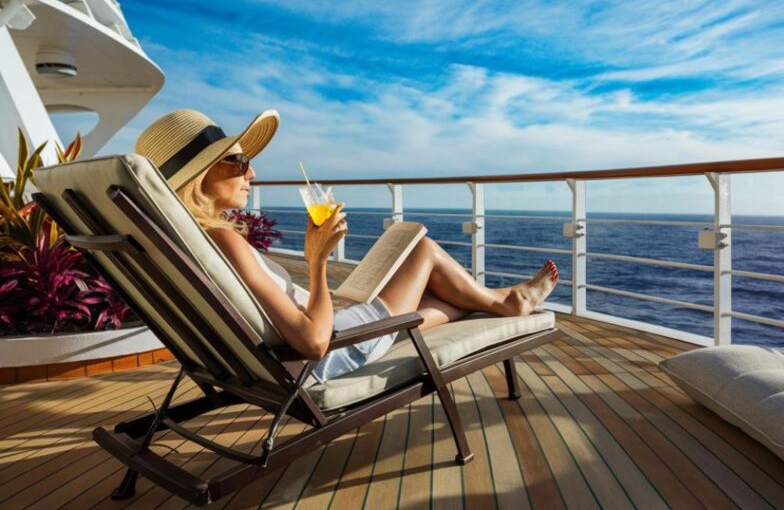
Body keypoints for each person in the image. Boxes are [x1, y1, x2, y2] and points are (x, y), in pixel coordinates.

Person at [136, 109, 559, 382]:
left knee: (440, 296)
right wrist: (317, 260)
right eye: (240, 161)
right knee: (423, 251)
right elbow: (314, 342)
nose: (252, 173)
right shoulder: (224, 240)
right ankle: (505, 302)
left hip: (297, 350)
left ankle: (498, 300)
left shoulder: (186, 245)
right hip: (330, 351)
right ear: (200, 176)